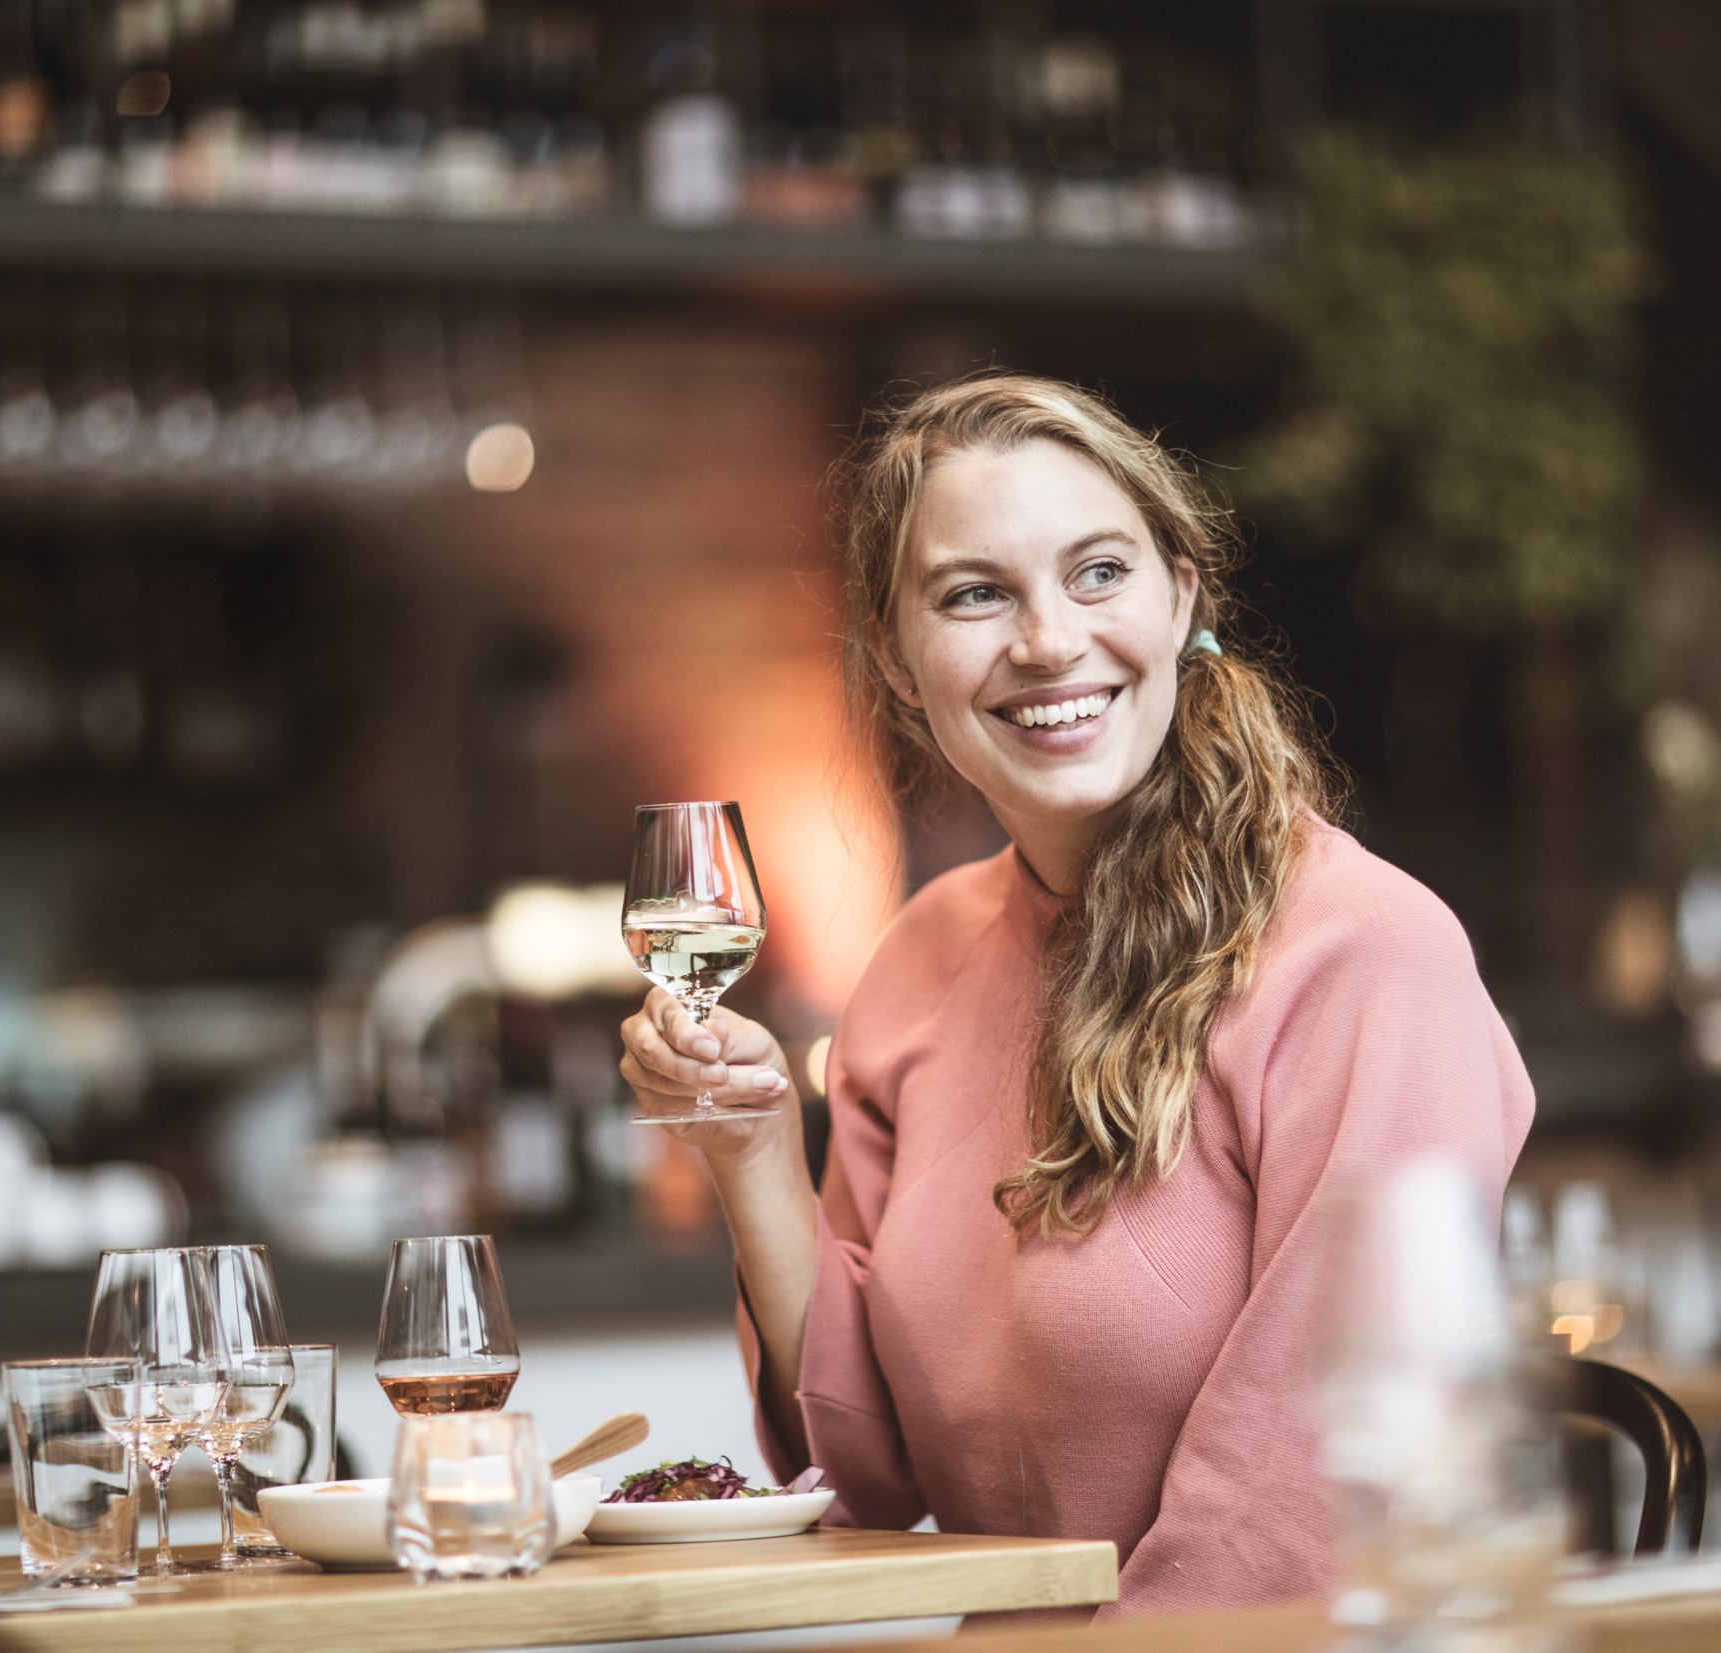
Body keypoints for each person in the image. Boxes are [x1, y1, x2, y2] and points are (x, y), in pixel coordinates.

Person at [618, 374, 1535, 1617]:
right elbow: (860, 1480)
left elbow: (1309, 1502)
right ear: (894, 659)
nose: (1048, 640)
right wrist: (752, 1153)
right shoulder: (920, 959)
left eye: (1098, 572)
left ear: (1182, 598)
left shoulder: (1367, 955)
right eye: (973, 594)